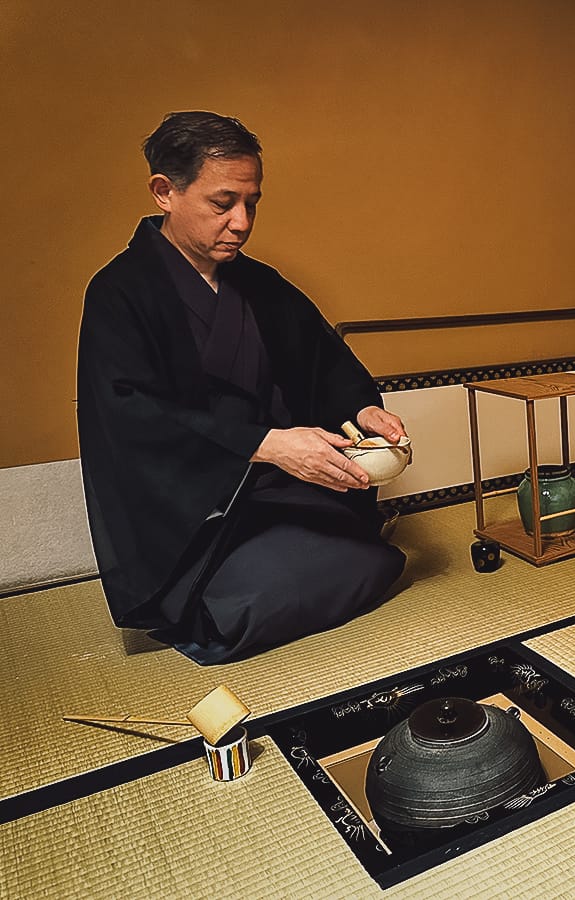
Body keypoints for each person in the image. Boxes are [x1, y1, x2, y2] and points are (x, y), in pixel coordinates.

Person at [78, 111, 409, 664]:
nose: (242, 221)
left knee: (373, 564)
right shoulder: (119, 292)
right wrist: (265, 444)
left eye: (251, 202)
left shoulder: (260, 284)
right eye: (222, 202)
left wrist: (363, 408)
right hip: (198, 512)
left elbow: (324, 362)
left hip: (278, 488)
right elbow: (130, 415)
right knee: (255, 602)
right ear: (165, 191)